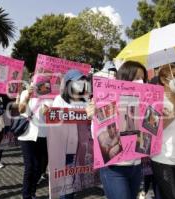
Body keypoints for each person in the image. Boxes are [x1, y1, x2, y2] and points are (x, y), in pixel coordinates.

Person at [86, 61, 148, 199]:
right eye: (137, 77)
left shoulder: (145, 102)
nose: (141, 81)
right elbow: (99, 137)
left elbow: (147, 136)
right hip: (114, 168)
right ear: (126, 78)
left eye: (143, 78)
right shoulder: (108, 99)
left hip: (136, 166)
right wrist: (94, 115)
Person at [150, 64, 175, 199]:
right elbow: (153, 128)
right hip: (163, 159)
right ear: (163, 79)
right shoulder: (155, 100)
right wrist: (174, 111)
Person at [51, 69, 91, 199]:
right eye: (77, 81)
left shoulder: (85, 101)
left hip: (81, 146)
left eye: (82, 81)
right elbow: (57, 121)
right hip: (65, 147)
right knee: (66, 182)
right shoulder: (59, 100)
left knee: (73, 180)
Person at [18, 74, 52, 199]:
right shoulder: (25, 93)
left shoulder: (50, 96)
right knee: (30, 166)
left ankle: (32, 192)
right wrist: (27, 96)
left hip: (43, 134)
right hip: (27, 134)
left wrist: (49, 112)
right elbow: (21, 110)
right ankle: (26, 195)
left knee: (40, 167)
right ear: (31, 82)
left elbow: (53, 116)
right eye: (35, 80)